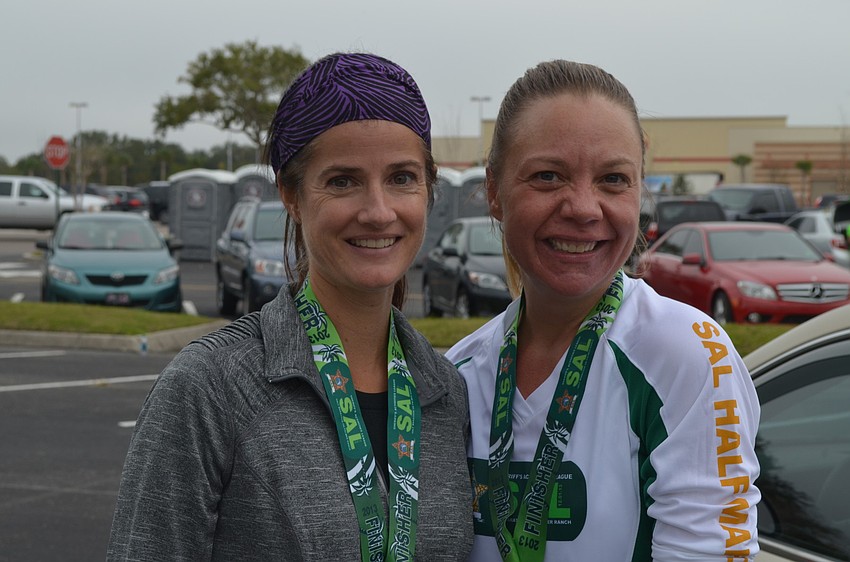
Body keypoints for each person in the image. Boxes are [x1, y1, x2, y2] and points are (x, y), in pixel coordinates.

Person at [108, 52, 473, 561]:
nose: (378, 211)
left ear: (428, 189)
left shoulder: (446, 393)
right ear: (291, 194)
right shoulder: (211, 387)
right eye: (343, 181)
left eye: (401, 178)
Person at [446, 60, 761, 560]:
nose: (583, 208)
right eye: (548, 176)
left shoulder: (686, 355)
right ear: (494, 192)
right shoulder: (457, 373)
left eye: (613, 179)